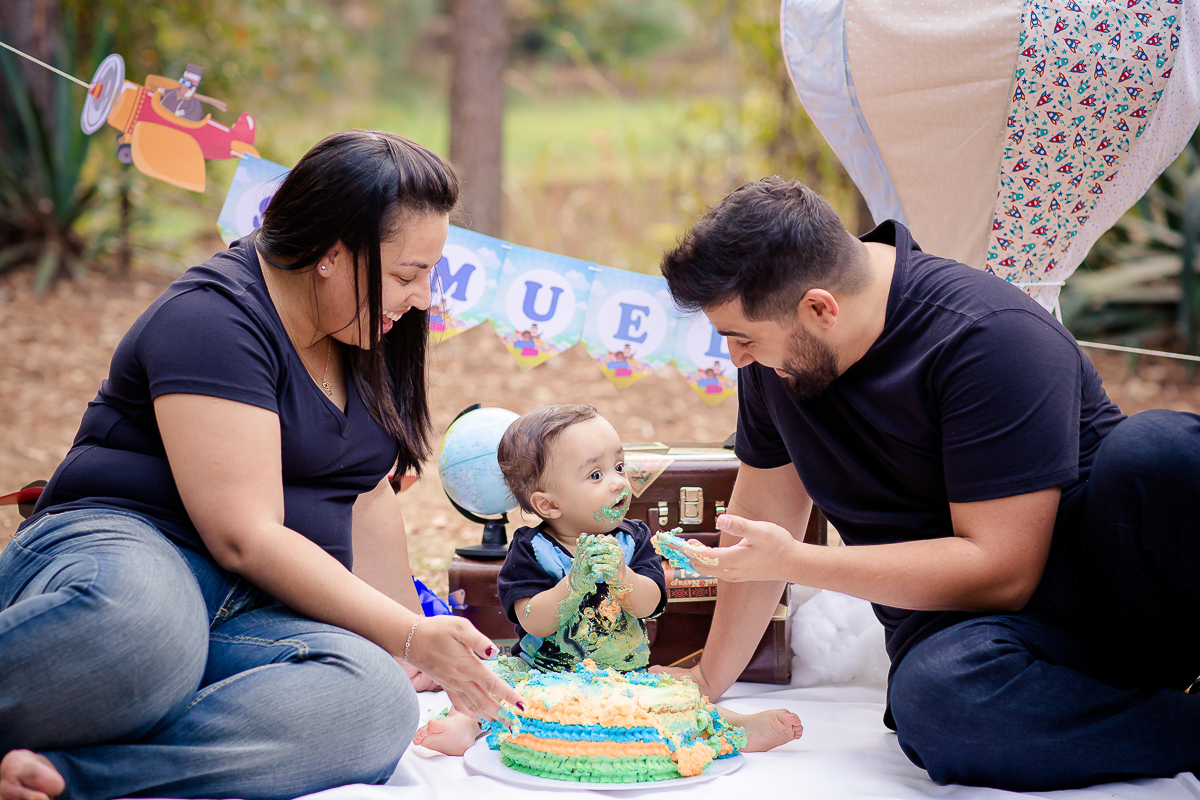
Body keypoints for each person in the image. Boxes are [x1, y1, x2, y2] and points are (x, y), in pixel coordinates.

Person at [0, 130, 525, 800]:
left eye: (430, 273)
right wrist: (411, 633)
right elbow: (243, 535)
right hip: (131, 552)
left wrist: (406, 648)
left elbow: (365, 495)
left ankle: (69, 778)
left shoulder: (370, 330)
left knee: (374, 701)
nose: (423, 297)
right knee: (150, 636)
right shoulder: (211, 319)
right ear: (332, 254)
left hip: (253, 608)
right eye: (406, 275)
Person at [655, 176, 1200, 791]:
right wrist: (707, 681)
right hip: (968, 634)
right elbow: (760, 528)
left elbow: (1004, 572)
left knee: (1160, 451)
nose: (735, 357)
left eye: (742, 338)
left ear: (819, 309)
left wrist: (800, 562)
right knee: (939, 702)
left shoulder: (990, 334)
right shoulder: (777, 362)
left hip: (1127, 589)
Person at [413, 404, 804, 756]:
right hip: (543, 675)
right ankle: (465, 725)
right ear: (549, 504)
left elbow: (650, 604)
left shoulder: (632, 540)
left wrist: (623, 577)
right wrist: (572, 584)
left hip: (623, 678)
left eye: (619, 466)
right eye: (596, 474)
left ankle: (735, 729)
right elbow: (532, 620)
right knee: (495, 681)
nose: (619, 482)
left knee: (677, 695)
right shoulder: (531, 548)